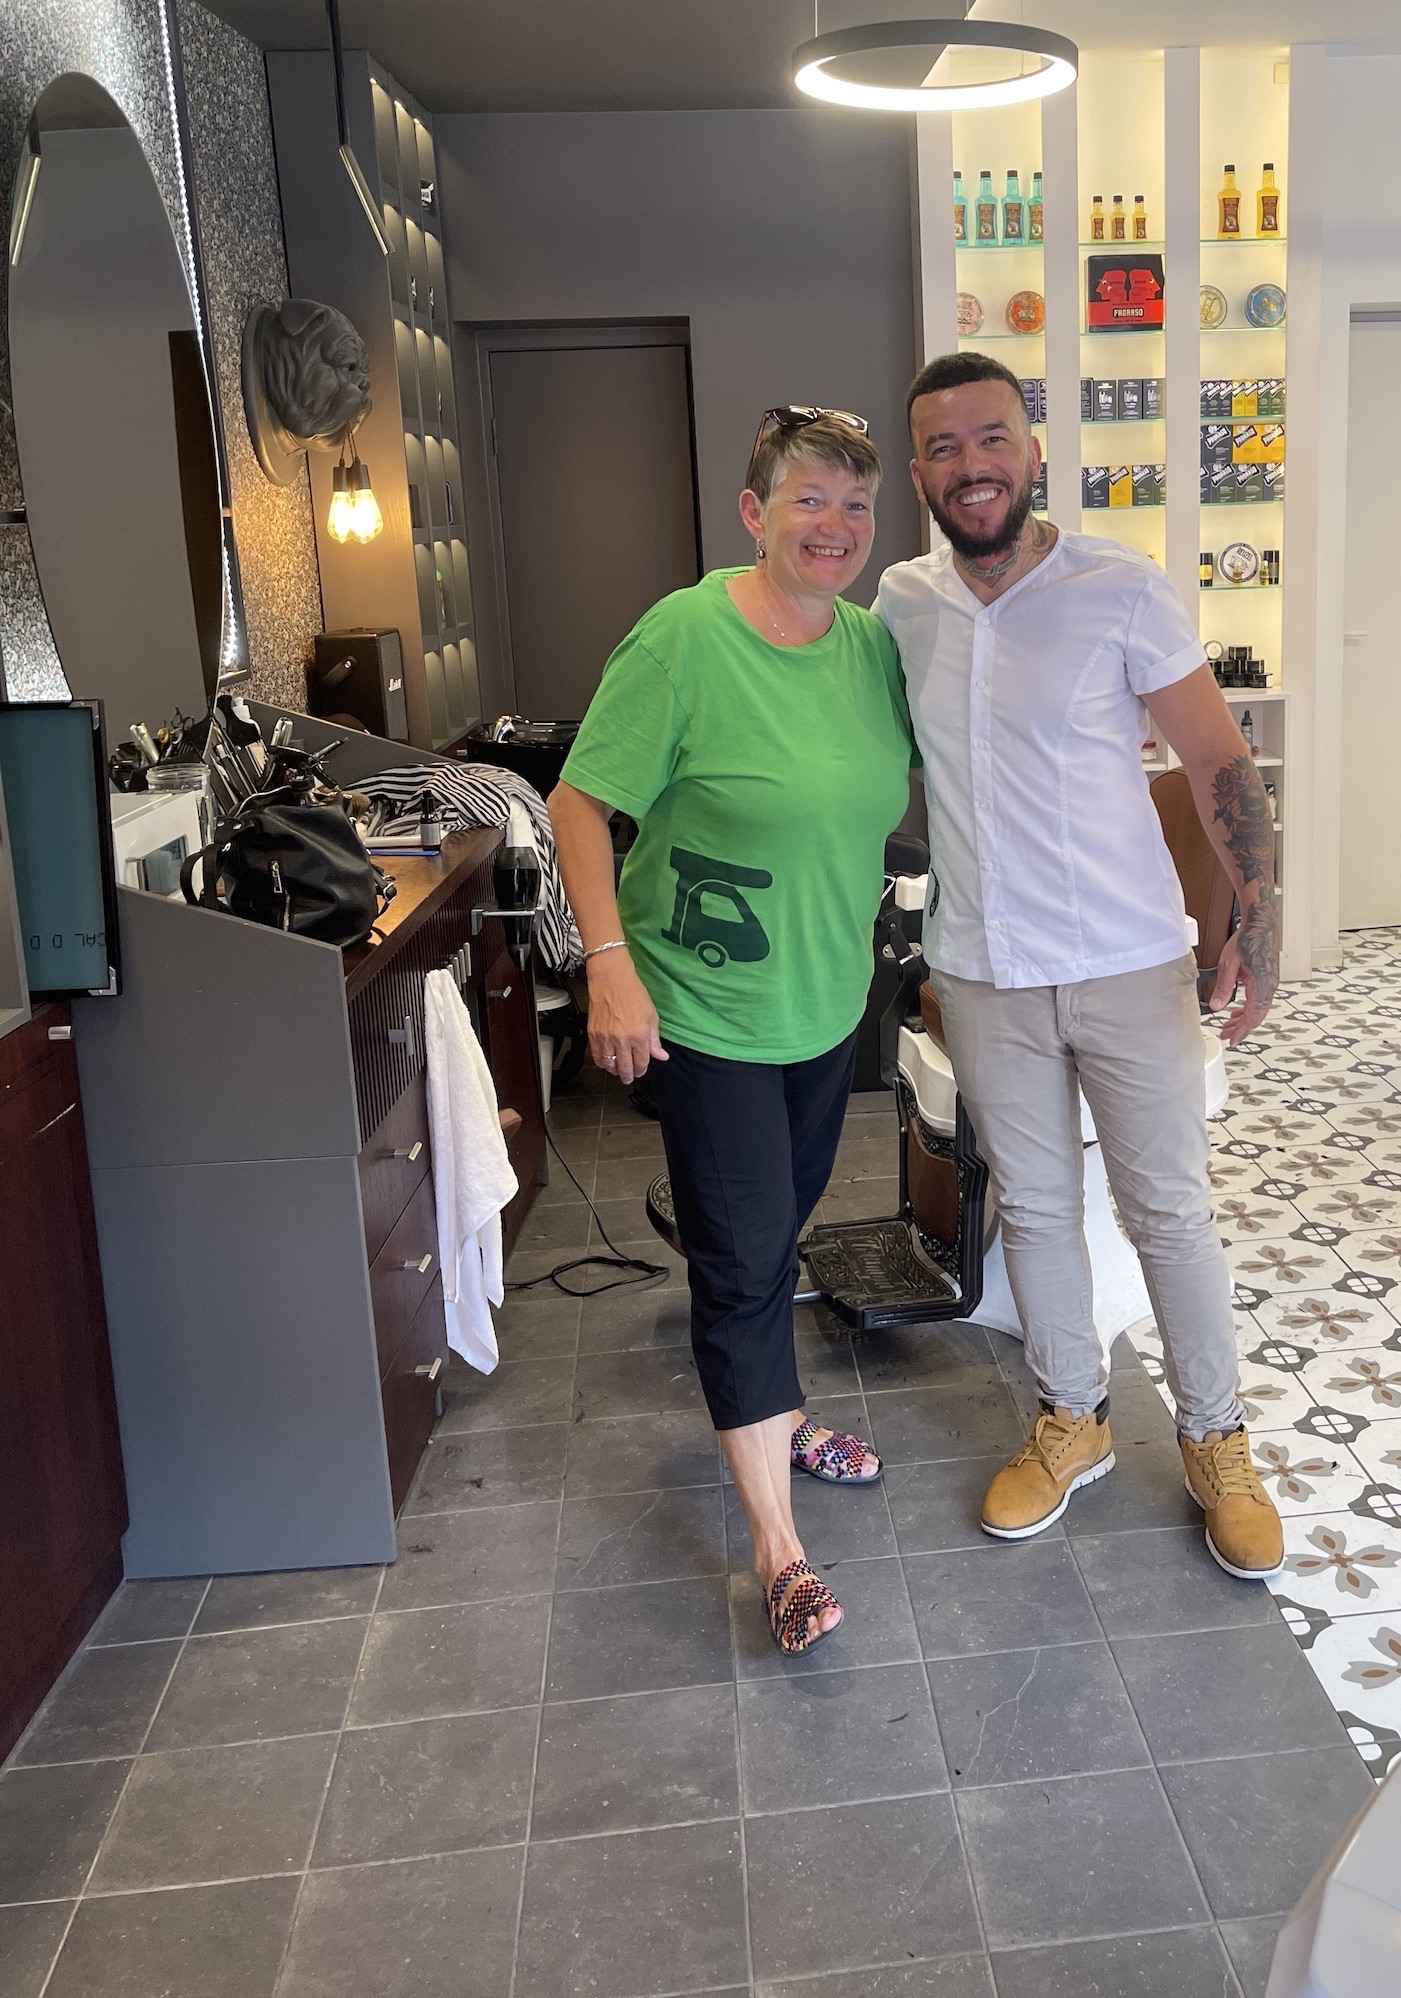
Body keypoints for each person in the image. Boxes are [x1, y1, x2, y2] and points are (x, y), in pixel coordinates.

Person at [876, 351, 1284, 1579]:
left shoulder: (1120, 589)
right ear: (919, 475)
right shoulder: (901, 604)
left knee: (1168, 1210)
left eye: (991, 438)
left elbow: (1218, 762)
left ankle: (1217, 1438)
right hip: (984, 969)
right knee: (1038, 1207)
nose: (971, 465)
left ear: (1033, 451)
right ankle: (1073, 1418)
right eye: (943, 448)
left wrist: (1255, 921)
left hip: (1126, 962)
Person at [549, 409, 916, 1654]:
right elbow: (579, 807)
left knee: (779, 1226)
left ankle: (779, 1414)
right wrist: (609, 966)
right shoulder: (685, 637)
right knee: (746, 1256)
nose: (836, 527)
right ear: (755, 513)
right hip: (705, 1015)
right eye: (810, 499)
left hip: (824, 1003)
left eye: (857, 505)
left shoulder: (872, 649)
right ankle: (779, 1549)